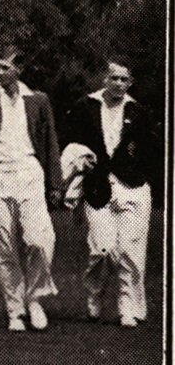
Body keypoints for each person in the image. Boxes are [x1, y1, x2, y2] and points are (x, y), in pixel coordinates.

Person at [0, 45, 63, 332]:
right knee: (5, 246)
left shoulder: (38, 100)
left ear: (19, 69)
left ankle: (34, 298)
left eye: (5, 67)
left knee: (41, 240)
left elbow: (51, 143)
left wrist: (55, 184)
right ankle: (15, 310)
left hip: (31, 172)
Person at [62, 56, 158, 328]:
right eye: (113, 77)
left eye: (124, 79)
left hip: (133, 189)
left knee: (130, 250)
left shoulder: (139, 112)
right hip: (97, 187)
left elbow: (152, 151)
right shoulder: (85, 107)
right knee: (101, 249)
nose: (118, 83)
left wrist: (137, 176)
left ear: (130, 82)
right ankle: (94, 298)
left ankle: (127, 308)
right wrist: (80, 167)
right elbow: (71, 144)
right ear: (105, 78)